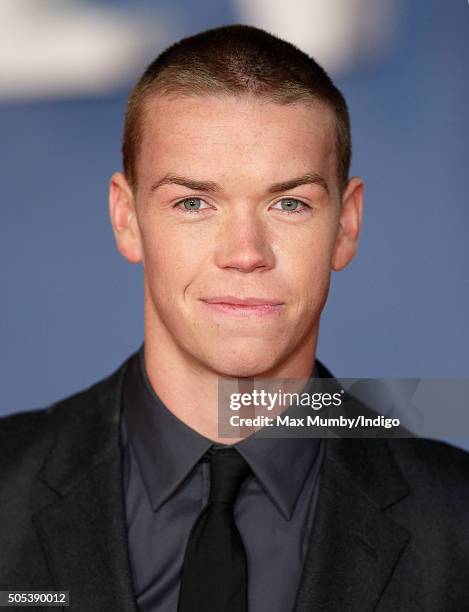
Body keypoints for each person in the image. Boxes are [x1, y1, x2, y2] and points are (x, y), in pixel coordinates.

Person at [1, 24, 469, 612]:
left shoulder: (456, 527)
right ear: (126, 218)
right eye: (194, 202)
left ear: (346, 226)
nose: (246, 252)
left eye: (289, 203)